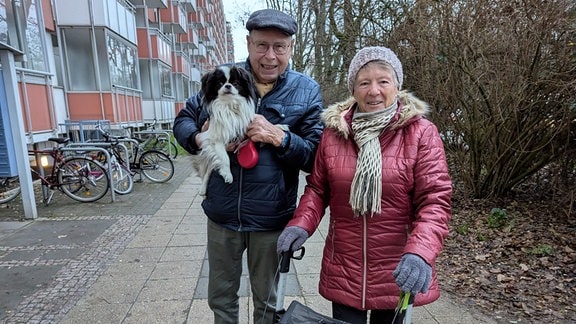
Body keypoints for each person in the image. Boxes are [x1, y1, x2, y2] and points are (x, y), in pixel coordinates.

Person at [277, 46, 452, 324]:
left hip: (397, 268)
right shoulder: (334, 133)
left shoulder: (420, 133)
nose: (374, 91)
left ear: (397, 85)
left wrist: (420, 252)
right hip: (344, 266)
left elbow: (434, 201)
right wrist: (301, 223)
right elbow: (318, 190)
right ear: (353, 89)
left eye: (383, 81)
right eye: (364, 82)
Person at [172, 8, 324, 324]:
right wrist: (200, 137)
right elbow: (183, 120)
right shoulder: (224, 78)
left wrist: (280, 138)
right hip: (222, 214)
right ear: (248, 43)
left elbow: (314, 157)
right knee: (221, 299)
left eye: (279, 47)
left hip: (271, 219)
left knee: (268, 303)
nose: (270, 56)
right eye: (261, 45)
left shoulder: (305, 90)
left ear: (291, 48)